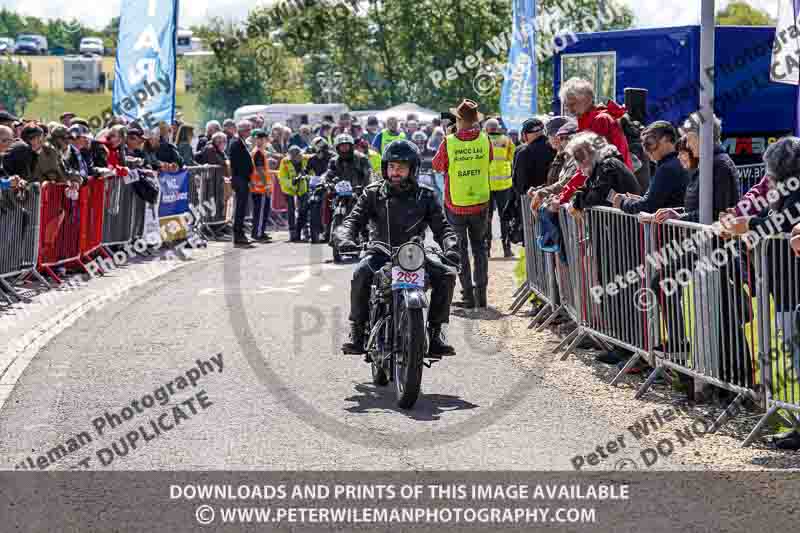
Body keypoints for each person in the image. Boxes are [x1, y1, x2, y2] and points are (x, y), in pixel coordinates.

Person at [336, 139, 461, 357]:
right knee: (360, 274)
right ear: (385, 168)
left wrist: (451, 247)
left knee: (447, 275)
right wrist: (345, 237)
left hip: (413, 254)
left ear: (412, 169)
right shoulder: (372, 193)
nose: (395, 172)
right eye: (391, 166)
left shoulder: (427, 195)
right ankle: (357, 332)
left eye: (401, 167)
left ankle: (435, 333)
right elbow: (351, 220)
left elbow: (443, 228)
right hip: (380, 252)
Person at [432, 99, 494, 309]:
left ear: (458, 120)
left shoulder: (449, 142)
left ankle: (467, 295)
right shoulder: (485, 140)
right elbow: (490, 160)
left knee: (460, 249)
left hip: (456, 204)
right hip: (480, 202)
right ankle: (482, 295)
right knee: (479, 248)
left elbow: (438, 166)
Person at [613, 121, 688, 215]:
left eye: (649, 143)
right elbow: (659, 200)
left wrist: (623, 203)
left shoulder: (667, 167)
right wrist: (640, 200)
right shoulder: (678, 162)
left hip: (671, 227)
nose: (646, 150)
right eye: (643, 145)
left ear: (666, 139)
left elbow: (648, 206)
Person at [559, 77, 633, 170]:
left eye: (572, 104)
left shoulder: (600, 120)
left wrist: (567, 185)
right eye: (566, 106)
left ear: (587, 99)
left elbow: (589, 164)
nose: (570, 110)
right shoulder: (594, 119)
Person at [484, 118, 516, 258]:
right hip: (504, 185)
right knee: (505, 218)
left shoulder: (481, 141)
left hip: (486, 185)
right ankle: (507, 249)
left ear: (486, 129)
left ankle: (486, 250)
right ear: (498, 128)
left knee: (487, 218)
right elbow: (511, 159)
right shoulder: (507, 141)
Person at [229, 120, 257, 247]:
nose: (249, 132)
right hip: (240, 178)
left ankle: (240, 233)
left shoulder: (240, 142)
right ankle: (238, 235)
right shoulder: (236, 143)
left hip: (243, 178)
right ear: (242, 130)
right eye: (248, 130)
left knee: (242, 208)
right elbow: (238, 163)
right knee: (240, 208)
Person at [278, 145, 310, 242]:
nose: (298, 157)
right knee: (291, 211)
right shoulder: (285, 161)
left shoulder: (306, 159)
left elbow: (311, 171)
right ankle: (292, 233)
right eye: (295, 156)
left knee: (303, 210)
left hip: (303, 189)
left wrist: (307, 177)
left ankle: (305, 232)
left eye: (299, 155)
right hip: (289, 190)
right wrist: (292, 183)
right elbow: (282, 177)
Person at [249, 129, 273, 243]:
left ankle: (260, 231)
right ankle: (258, 233)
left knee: (262, 211)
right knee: (260, 211)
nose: (264, 141)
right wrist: (266, 186)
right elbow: (259, 170)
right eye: (262, 139)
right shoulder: (258, 152)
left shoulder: (259, 151)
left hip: (260, 187)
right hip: (260, 188)